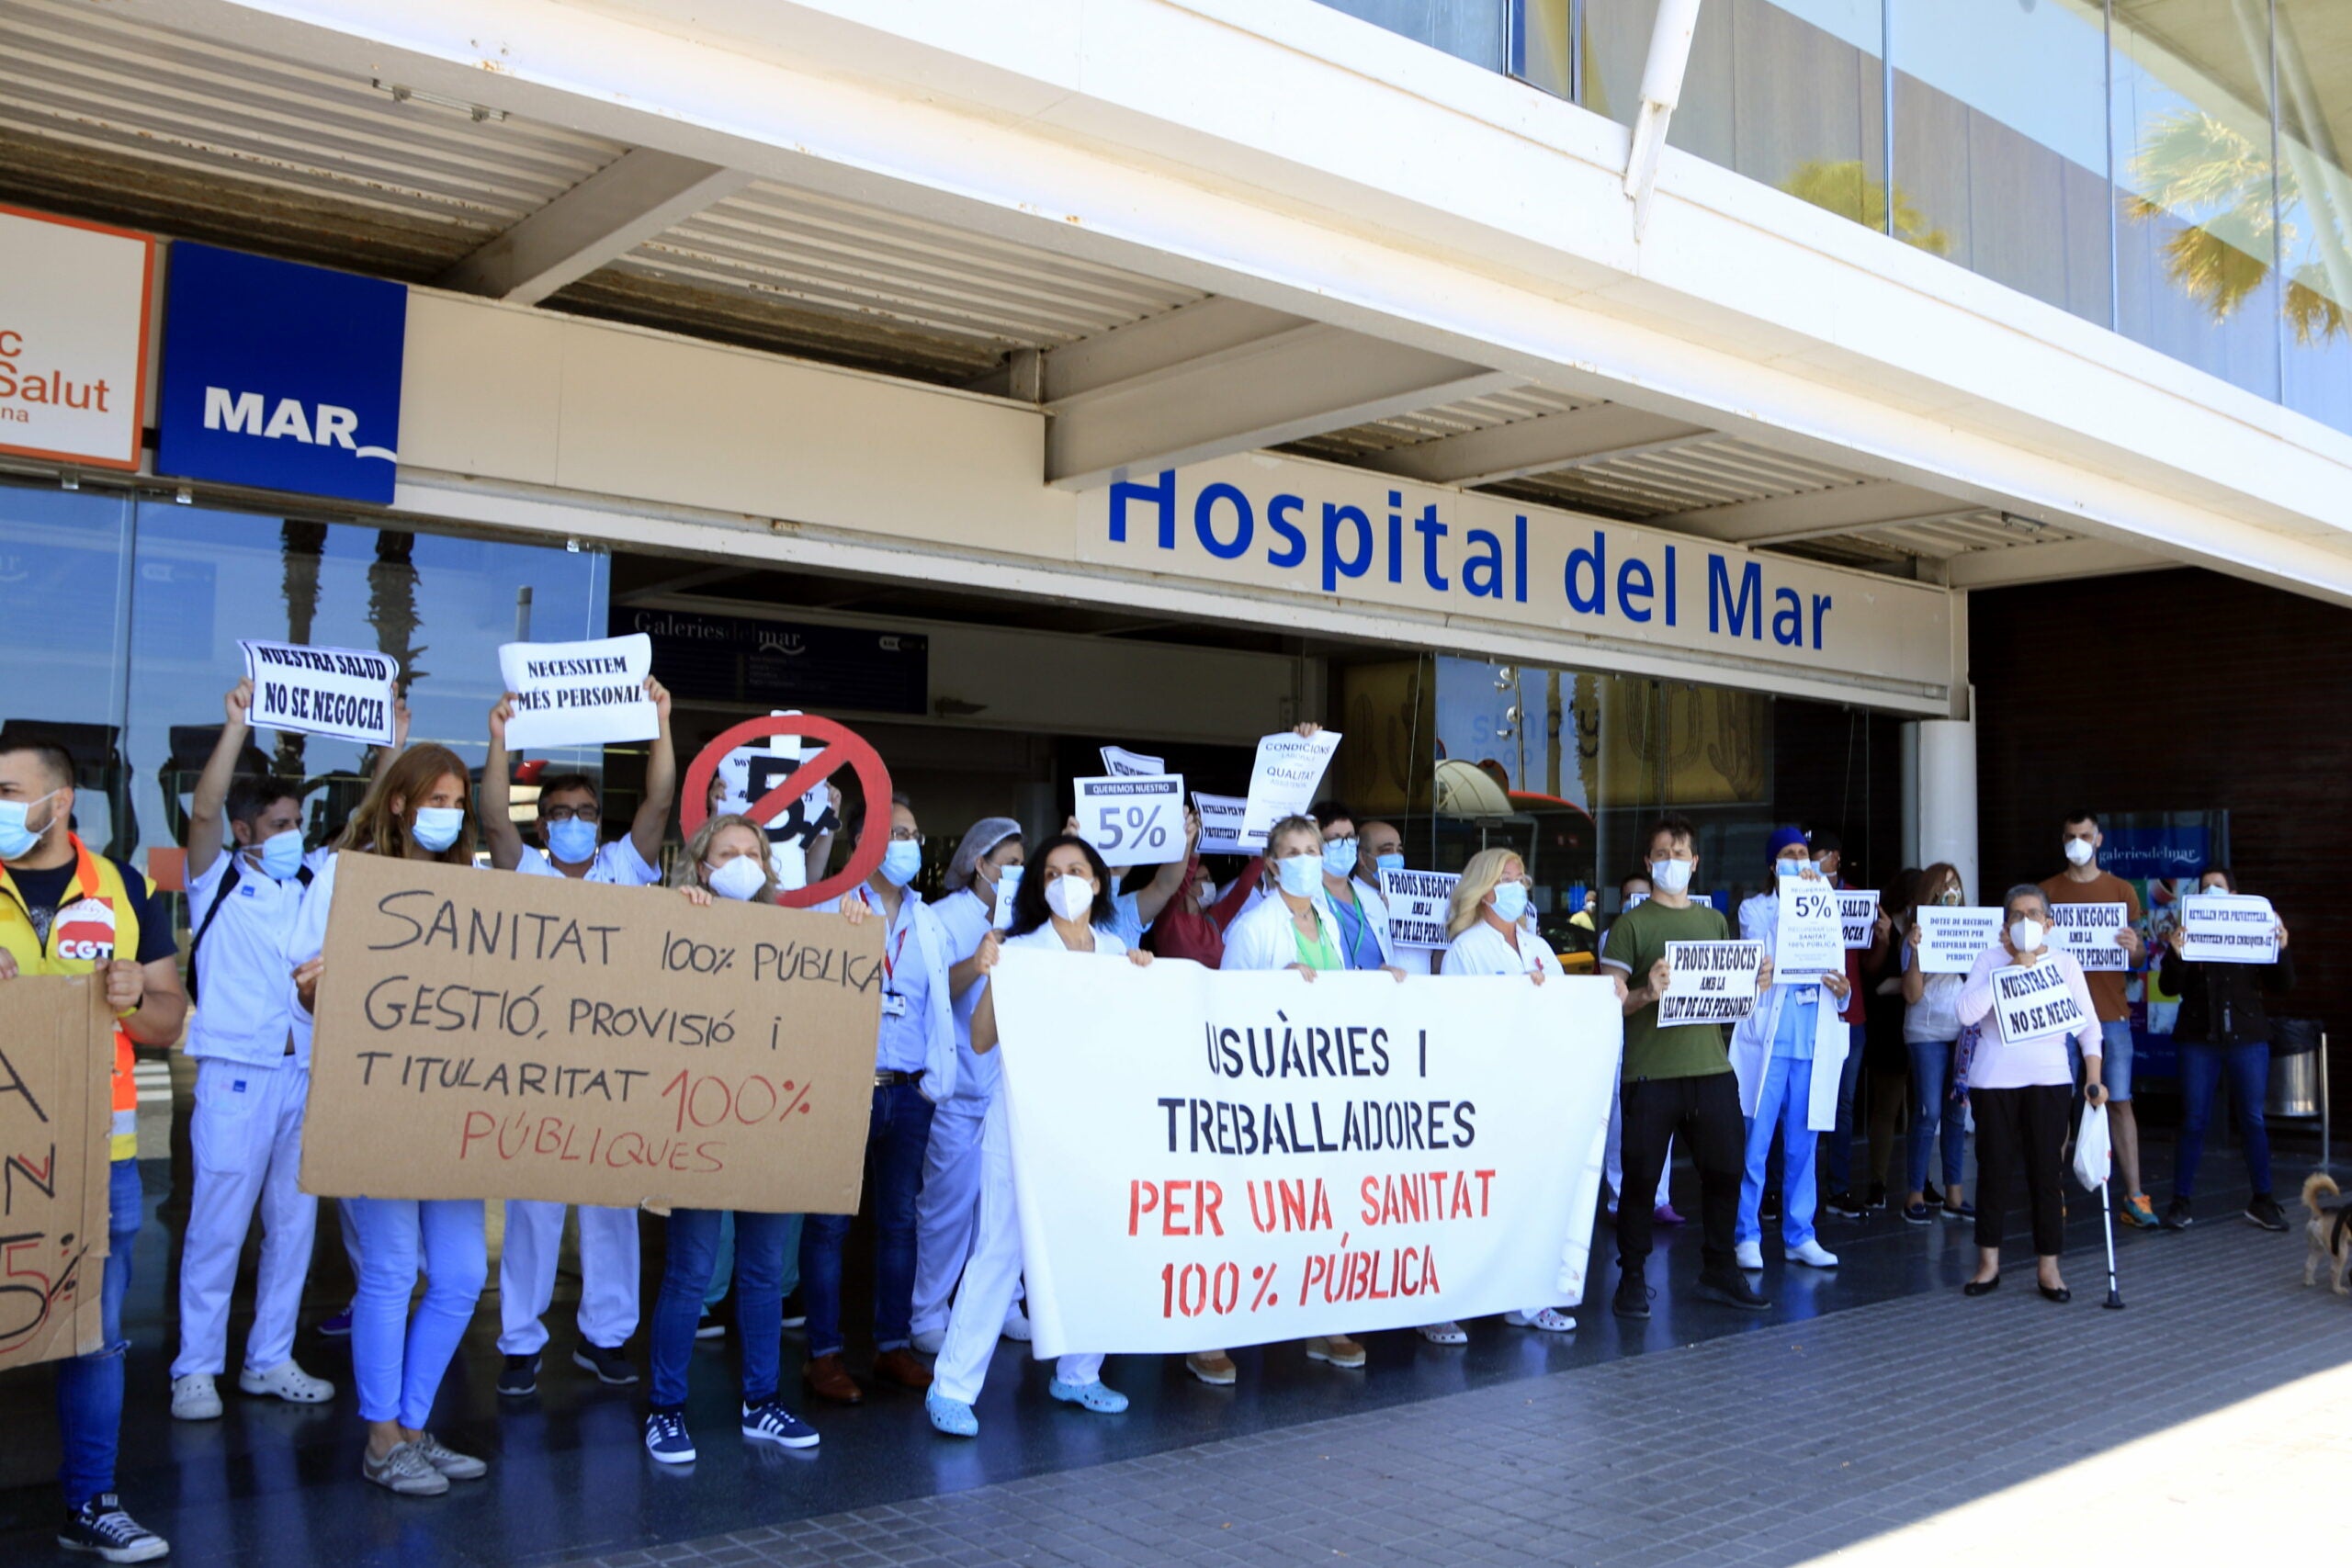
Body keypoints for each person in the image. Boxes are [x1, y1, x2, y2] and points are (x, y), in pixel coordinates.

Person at [1, 736, 187, 1561]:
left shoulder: (124, 887)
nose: (0, 805)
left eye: (10, 790)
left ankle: (92, 1501)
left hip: (94, 1158)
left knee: (94, 1333)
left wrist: (134, 995)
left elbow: (168, 1021)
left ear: (61, 800)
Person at [288, 744, 491, 1497]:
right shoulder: (346, 874)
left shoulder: (473, 883)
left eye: (458, 801)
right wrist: (323, 985)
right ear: (399, 802)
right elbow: (302, 979)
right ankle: (381, 1439)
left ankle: (411, 1424)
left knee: (463, 1271)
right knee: (393, 1267)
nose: (449, 814)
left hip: (451, 1103)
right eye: (436, 800)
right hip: (375, 1098)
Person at [643, 814, 865, 1461]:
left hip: (770, 1125)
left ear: (768, 868)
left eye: (753, 852)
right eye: (727, 852)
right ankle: (665, 1409)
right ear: (701, 866)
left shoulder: (792, 935)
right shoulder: (675, 924)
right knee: (690, 1271)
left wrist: (850, 936)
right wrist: (678, 922)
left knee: (765, 1272)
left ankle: (762, 1401)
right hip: (700, 1124)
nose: (742, 862)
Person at [481, 682, 677, 1396]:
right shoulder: (526, 869)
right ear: (543, 826)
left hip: (612, 1066)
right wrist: (498, 738)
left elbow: (659, 801)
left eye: (585, 813)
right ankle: (520, 1343)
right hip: (539, 1065)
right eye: (560, 813)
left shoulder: (624, 866)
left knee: (610, 1207)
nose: (573, 822)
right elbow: (492, 816)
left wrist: (660, 724)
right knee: (533, 1209)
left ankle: (607, 1336)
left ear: (599, 822)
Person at [926, 833, 1148, 1437]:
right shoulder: (1019, 950)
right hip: (1022, 1124)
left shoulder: (1117, 952)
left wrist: (1143, 977)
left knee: (1096, 1244)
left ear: (1098, 881)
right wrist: (990, 968)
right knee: (1000, 1250)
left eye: (1076, 869)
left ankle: (1080, 1372)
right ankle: (952, 1387)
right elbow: (980, 1040)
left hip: (1094, 1126)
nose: (1064, 881)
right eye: (1051, 872)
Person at [169, 682, 335, 1425]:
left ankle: (269, 1357)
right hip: (237, 1073)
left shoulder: (310, 881)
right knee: (219, 1225)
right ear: (245, 831)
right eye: (279, 823)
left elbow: (367, 832)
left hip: (303, 1071)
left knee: (293, 1228)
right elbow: (203, 811)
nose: (294, 832)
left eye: (298, 822)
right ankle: (195, 1368)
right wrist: (236, 725)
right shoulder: (216, 879)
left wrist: (392, 744)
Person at [1206, 814, 1393, 1375]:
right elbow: (1225, 1011)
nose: (1308, 860)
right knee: (1249, 1213)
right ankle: (1211, 1335)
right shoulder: (1254, 928)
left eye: (1314, 849)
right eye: (1294, 852)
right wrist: (1273, 988)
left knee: (1319, 1211)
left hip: (1323, 1094)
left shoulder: (1330, 923)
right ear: (1272, 865)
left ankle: (1322, 1322)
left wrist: (1383, 981)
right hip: (1265, 1098)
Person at [800, 792, 956, 1404]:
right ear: (862, 842)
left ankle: (892, 1346)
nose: (905, 844)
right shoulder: (834, 905)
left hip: (909, 1092)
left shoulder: (929, 919)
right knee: (828, 1226)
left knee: (899, 1224)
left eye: (912, 833)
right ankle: (824, 1355)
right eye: (893, 833)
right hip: (846, 1088)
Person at [1599, 813, 1771, 1318]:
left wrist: (1752, 982)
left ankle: (1719, 1268)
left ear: (1694, 863)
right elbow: (1607, 1004)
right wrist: (1645, 993)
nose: (1670, 862)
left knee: (1726, 1170)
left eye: (1679, 854)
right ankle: (1632, 1278)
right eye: (1661, 854)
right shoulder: (1630, 926)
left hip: (1710, 1068)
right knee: (1640, 1181)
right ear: (1648, 861)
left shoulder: (1714, 922)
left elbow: (1725, 996)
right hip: (1650, 1073)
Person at [1439, 848, 1604, 1337]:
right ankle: (1450, 1303)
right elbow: (1457, 1024)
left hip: (1539, 1093)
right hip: (1490, 1098)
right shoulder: (1467, 949)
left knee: (1534, 1202)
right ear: (1485, 890)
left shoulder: (1537, 947)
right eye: (1508, 879)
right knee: (1479, 1205)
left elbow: (1568, 1009)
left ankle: (1528, 1300)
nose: (1519, 887)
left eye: (1521, 879)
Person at [910, 817, 1030, 1355]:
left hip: (1006, 1089)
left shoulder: (1025, 922)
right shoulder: (941, 919)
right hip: (958, 1089)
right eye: (1009, 864)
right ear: (980, 865)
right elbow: (931, 991)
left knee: (1003, 1208)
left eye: (1024, 864)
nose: (1018, 873)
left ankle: (1002, 1305)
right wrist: (977, 963)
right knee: (948, 1209)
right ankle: (928, 1312)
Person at [1953, 886, 2105, 1300]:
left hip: (2049, 1081)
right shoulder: (1989, 960)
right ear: (2005, 926)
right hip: (1993, 1083)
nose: (2026, 922)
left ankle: (2049, 1268)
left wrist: (2094, 1078)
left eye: (2034, 914)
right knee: (1993, 1172)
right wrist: (2011, 969)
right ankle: (1988, 1264)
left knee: (2046, 1174)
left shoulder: (2065, 963)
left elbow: (2089, 1027)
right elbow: (1966, 1013)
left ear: (2049, 923)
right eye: (2017, 915)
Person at [1727, 829, 1849, 1272]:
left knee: (1803, 1146)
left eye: (1803, 854)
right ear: (1773, 865)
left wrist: (1844, 991)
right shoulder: (1755, 909)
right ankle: (1746, 1234)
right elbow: (1763, 955)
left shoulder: (1828, 903)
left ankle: (1800, 1235)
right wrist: (1796, 901)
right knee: (1756, 1144)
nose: (1799, 860)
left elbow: (1834, 967)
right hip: (1769, 1039)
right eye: (1789, 855)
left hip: (1812, 1039)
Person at [2161, 868, 2292, 1232]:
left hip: (2246, 1038)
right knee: (2193, 1120)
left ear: (2234, 894)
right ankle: (2180, 1202)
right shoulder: (2188, 931)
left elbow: (2283, 984)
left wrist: (2281, 948)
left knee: (2252, 1119)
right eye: (2205, 888)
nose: (2211, 892)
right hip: (2198, 1038)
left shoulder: (2253, 927)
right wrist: (2176, 954)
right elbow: (2169, 987)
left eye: (2217, 887)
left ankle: (2262, 1200)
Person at [2042, 811, 2154, 1227]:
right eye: (2071, 835)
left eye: (2085, 835)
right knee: (2057, 1104)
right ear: (2063, 839)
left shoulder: (2122, 891)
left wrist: (2134, 946)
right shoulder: (2046, 892)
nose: (2078, 842)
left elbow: (2139, 958)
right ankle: (2051, 1194)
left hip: (2110, 1014)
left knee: (2120, 1101)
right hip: (2057, 1017)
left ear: (2099, 839)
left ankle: (2135, 1196)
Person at [1811, 830, 1888, 1216]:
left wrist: (1884, 940)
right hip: (1809, 1015)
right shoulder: (1798, 897)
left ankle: (1838, 1189)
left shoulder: (1857, 899)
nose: (1814, 862)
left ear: (1836, 857)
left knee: (1842, 1106)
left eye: (1819, 855)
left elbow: (1869, 967)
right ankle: (1791, 1192)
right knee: (1801, 1106)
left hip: (1850, 1017)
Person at [1601, 873, 1679, 1225]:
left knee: (1662, 1126)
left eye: (1643, 897)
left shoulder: (1668, 932)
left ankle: (1660, 1199)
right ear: (1621, 904)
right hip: (1623, 1042)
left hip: (1659, 1042)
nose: (1636, 903)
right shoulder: (1614, 936)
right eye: (1629, 898)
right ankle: (1618, 1199)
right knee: (1621, 1124)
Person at [1897, 863, 1972, 1224]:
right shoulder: (1914, 936)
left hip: (1961, 1031)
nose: (1950, 892)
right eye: (1943, 887)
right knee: (1928, 1111)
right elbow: (1912, 994)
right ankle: (1915, 1192)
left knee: (1956, 1111)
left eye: (1955, 886)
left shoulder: (1970, 930)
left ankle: (1954, 1194)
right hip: (1925, 1032)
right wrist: (1916, 951)